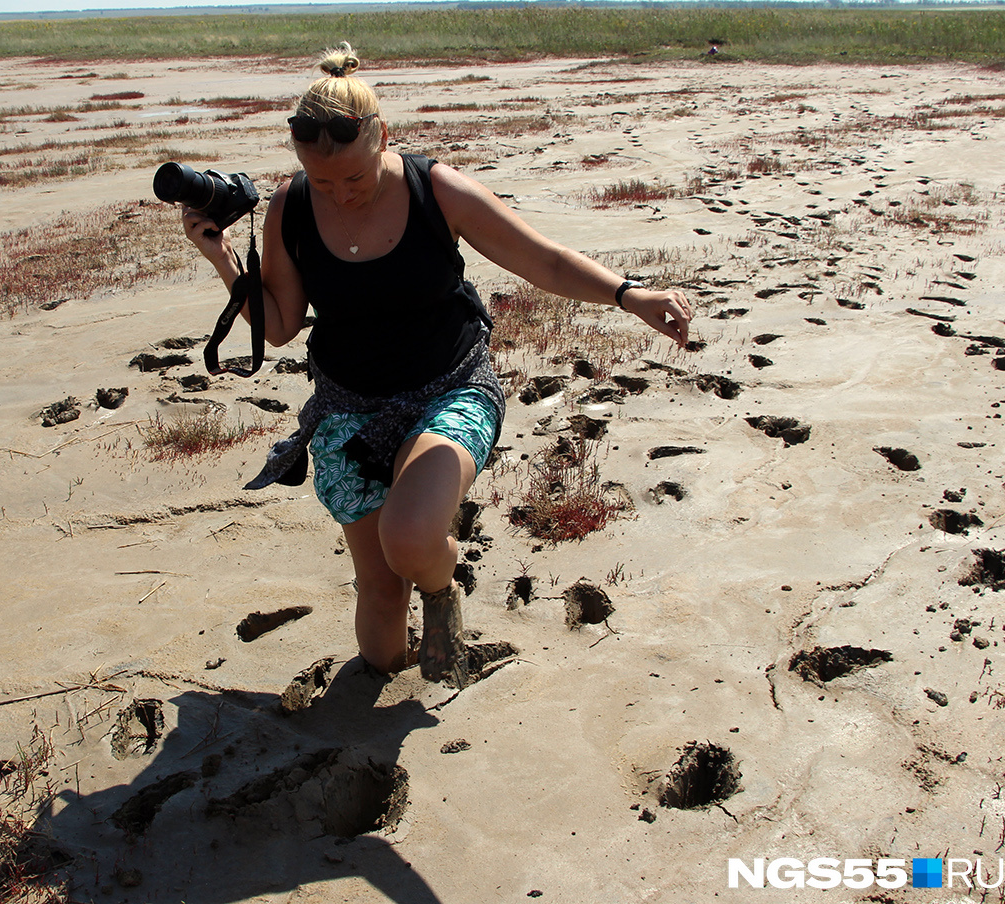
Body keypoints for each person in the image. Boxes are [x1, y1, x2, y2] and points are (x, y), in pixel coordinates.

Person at [180, 43, 692, 687]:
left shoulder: (437, 190)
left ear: (383, 138)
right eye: (324, 182)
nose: (340, 195)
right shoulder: (291, 207)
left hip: (450, 389)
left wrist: (628, 294)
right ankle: (376, 695)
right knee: (380, 598)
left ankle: (444, 583)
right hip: (347, 410)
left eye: (355, 180)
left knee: (412, 540)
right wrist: (223, 258)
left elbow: (545, 260)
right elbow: (279, 327)